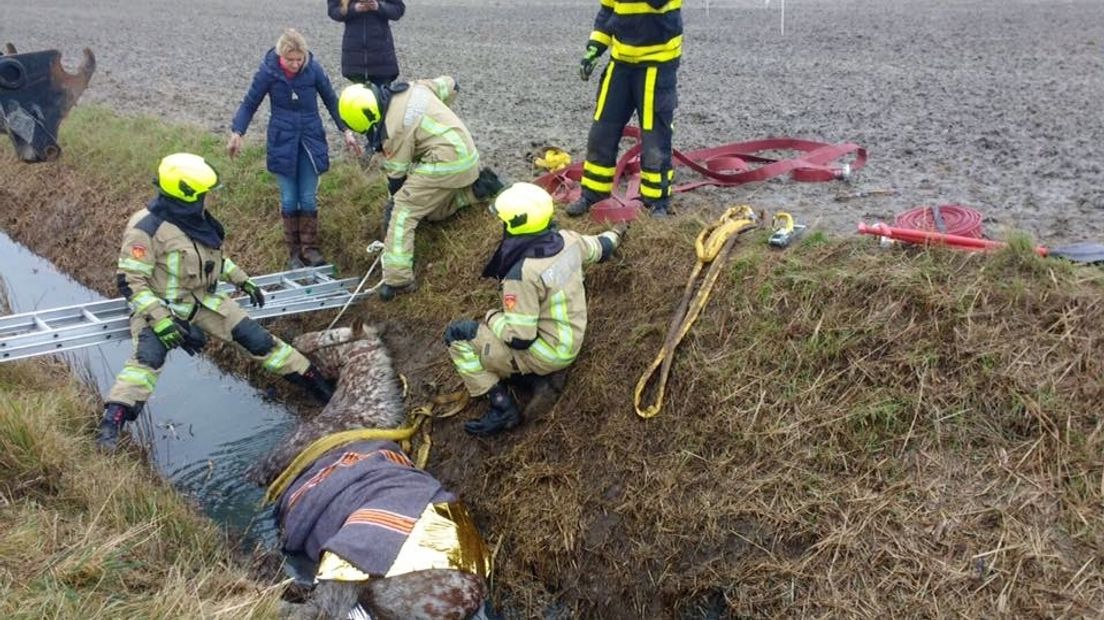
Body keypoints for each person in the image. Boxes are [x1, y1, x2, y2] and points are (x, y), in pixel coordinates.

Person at [96, 153, 335, 451]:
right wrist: (161, 321)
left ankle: (321, 388)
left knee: (260, 342)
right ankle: (111, 423)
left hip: (205, 301)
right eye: (202, 193)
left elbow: (215, 258)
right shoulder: (145, 229)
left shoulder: (195, 220)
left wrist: (241, 279)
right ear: (185, 193)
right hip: (163, 307)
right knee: (147, 361)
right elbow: (131, 282)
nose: (206, 199)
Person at [445, 182, 626, 437]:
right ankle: (534, 379)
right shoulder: (568, 240)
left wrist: (491, 317)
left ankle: (502, 407)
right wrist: (617, 232)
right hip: (570, 338)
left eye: (504, 220)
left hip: (547, 352)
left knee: (458, 336)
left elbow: (520, 338)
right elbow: (601, 247)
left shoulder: (521, 274)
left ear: (516, 224)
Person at [338, 78, 504, 301]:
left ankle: (398, 280)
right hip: (466, 154)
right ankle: (478, 189)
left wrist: (391, 209)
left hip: (446, 162)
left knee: (404, 211)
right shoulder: (412, 87)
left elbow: (396, 180)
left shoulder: (393, 130)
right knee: (429, 210)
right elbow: (452, 85)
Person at [227, 28, 358, 269]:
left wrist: (347, 131)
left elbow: (332, 100)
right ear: (281, 55)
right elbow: (249, 103)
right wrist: (238, 132)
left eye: (300, 59)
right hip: (282, 142)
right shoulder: (268, 72)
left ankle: (310, 249)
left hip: (310, 140)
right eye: (291, 59)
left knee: (307, 198)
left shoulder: (314, 69)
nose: (296, 64)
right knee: (289, 199)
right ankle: (294, 253)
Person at [567, 0, 683, 218]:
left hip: (657, 64)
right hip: (620, 64)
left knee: (655, 138)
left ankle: (657, 201)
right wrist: (594, 48)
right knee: (602, 131)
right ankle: (593, 193)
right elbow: (607, 11)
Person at [327, 0, 406, 88]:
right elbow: (333, 11)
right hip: (355, 56)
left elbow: (398, 10)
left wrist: (378, 7)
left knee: (383, 97)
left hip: (382, 56)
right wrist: (354, 9)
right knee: (360, 99)